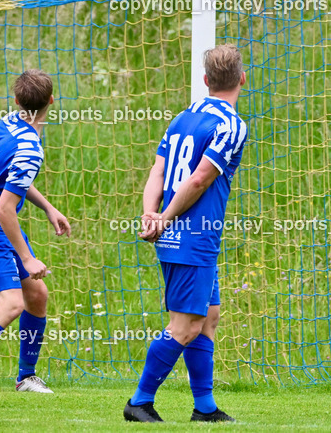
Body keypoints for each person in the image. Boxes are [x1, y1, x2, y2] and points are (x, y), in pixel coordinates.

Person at [124, 44, 248, 423]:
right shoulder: (231, 125)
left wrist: (150, 213)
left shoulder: (183, 117)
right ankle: (140, 402)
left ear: (206, 80)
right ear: (242, 79)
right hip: (193, 237)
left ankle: (205, 408)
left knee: (208, 316)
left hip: (177, 234)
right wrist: (162, 218)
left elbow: (158, 172)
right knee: (186, 326)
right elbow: (198, 180)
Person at [0, 69, 70, 393]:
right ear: (51, 100)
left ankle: (26, 377)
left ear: (17, 100)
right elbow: (4, 209)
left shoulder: (9, 123)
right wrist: (27, 258)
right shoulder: (30, 148)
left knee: (37, 294)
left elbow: (13, 180)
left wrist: (48, 208)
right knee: (11, 304)